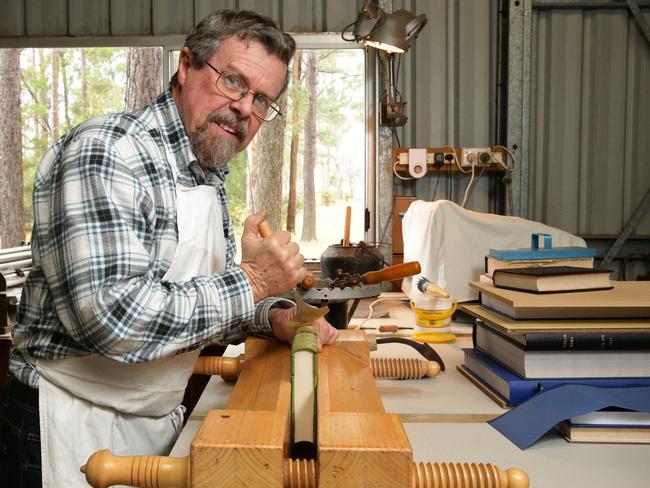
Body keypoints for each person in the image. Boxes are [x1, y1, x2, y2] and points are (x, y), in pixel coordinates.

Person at [0, 9, 339, 487]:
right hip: (68, 423)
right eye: (234, 82)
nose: (245, 108)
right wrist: (254, 280)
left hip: (149, 423)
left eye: (263, 99)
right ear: (185, 66)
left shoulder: (207, 172)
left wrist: (270, 314)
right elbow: (114, 320)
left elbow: (189, 302)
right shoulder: (110, 151)